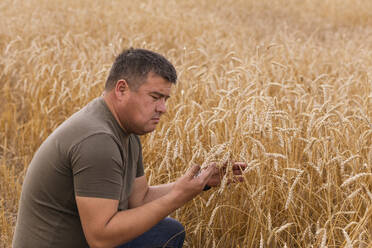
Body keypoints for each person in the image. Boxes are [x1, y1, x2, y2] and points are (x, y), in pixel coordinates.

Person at [12, 48, 245, 248]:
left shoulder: (125, 131)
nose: (163, 108)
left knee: (166, 231)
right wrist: (176, 197)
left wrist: (201, 182)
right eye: (155, 97)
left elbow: (139, 199)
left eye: (166, 99)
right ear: (121, 89)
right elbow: (101, 237)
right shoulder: (97, 140)